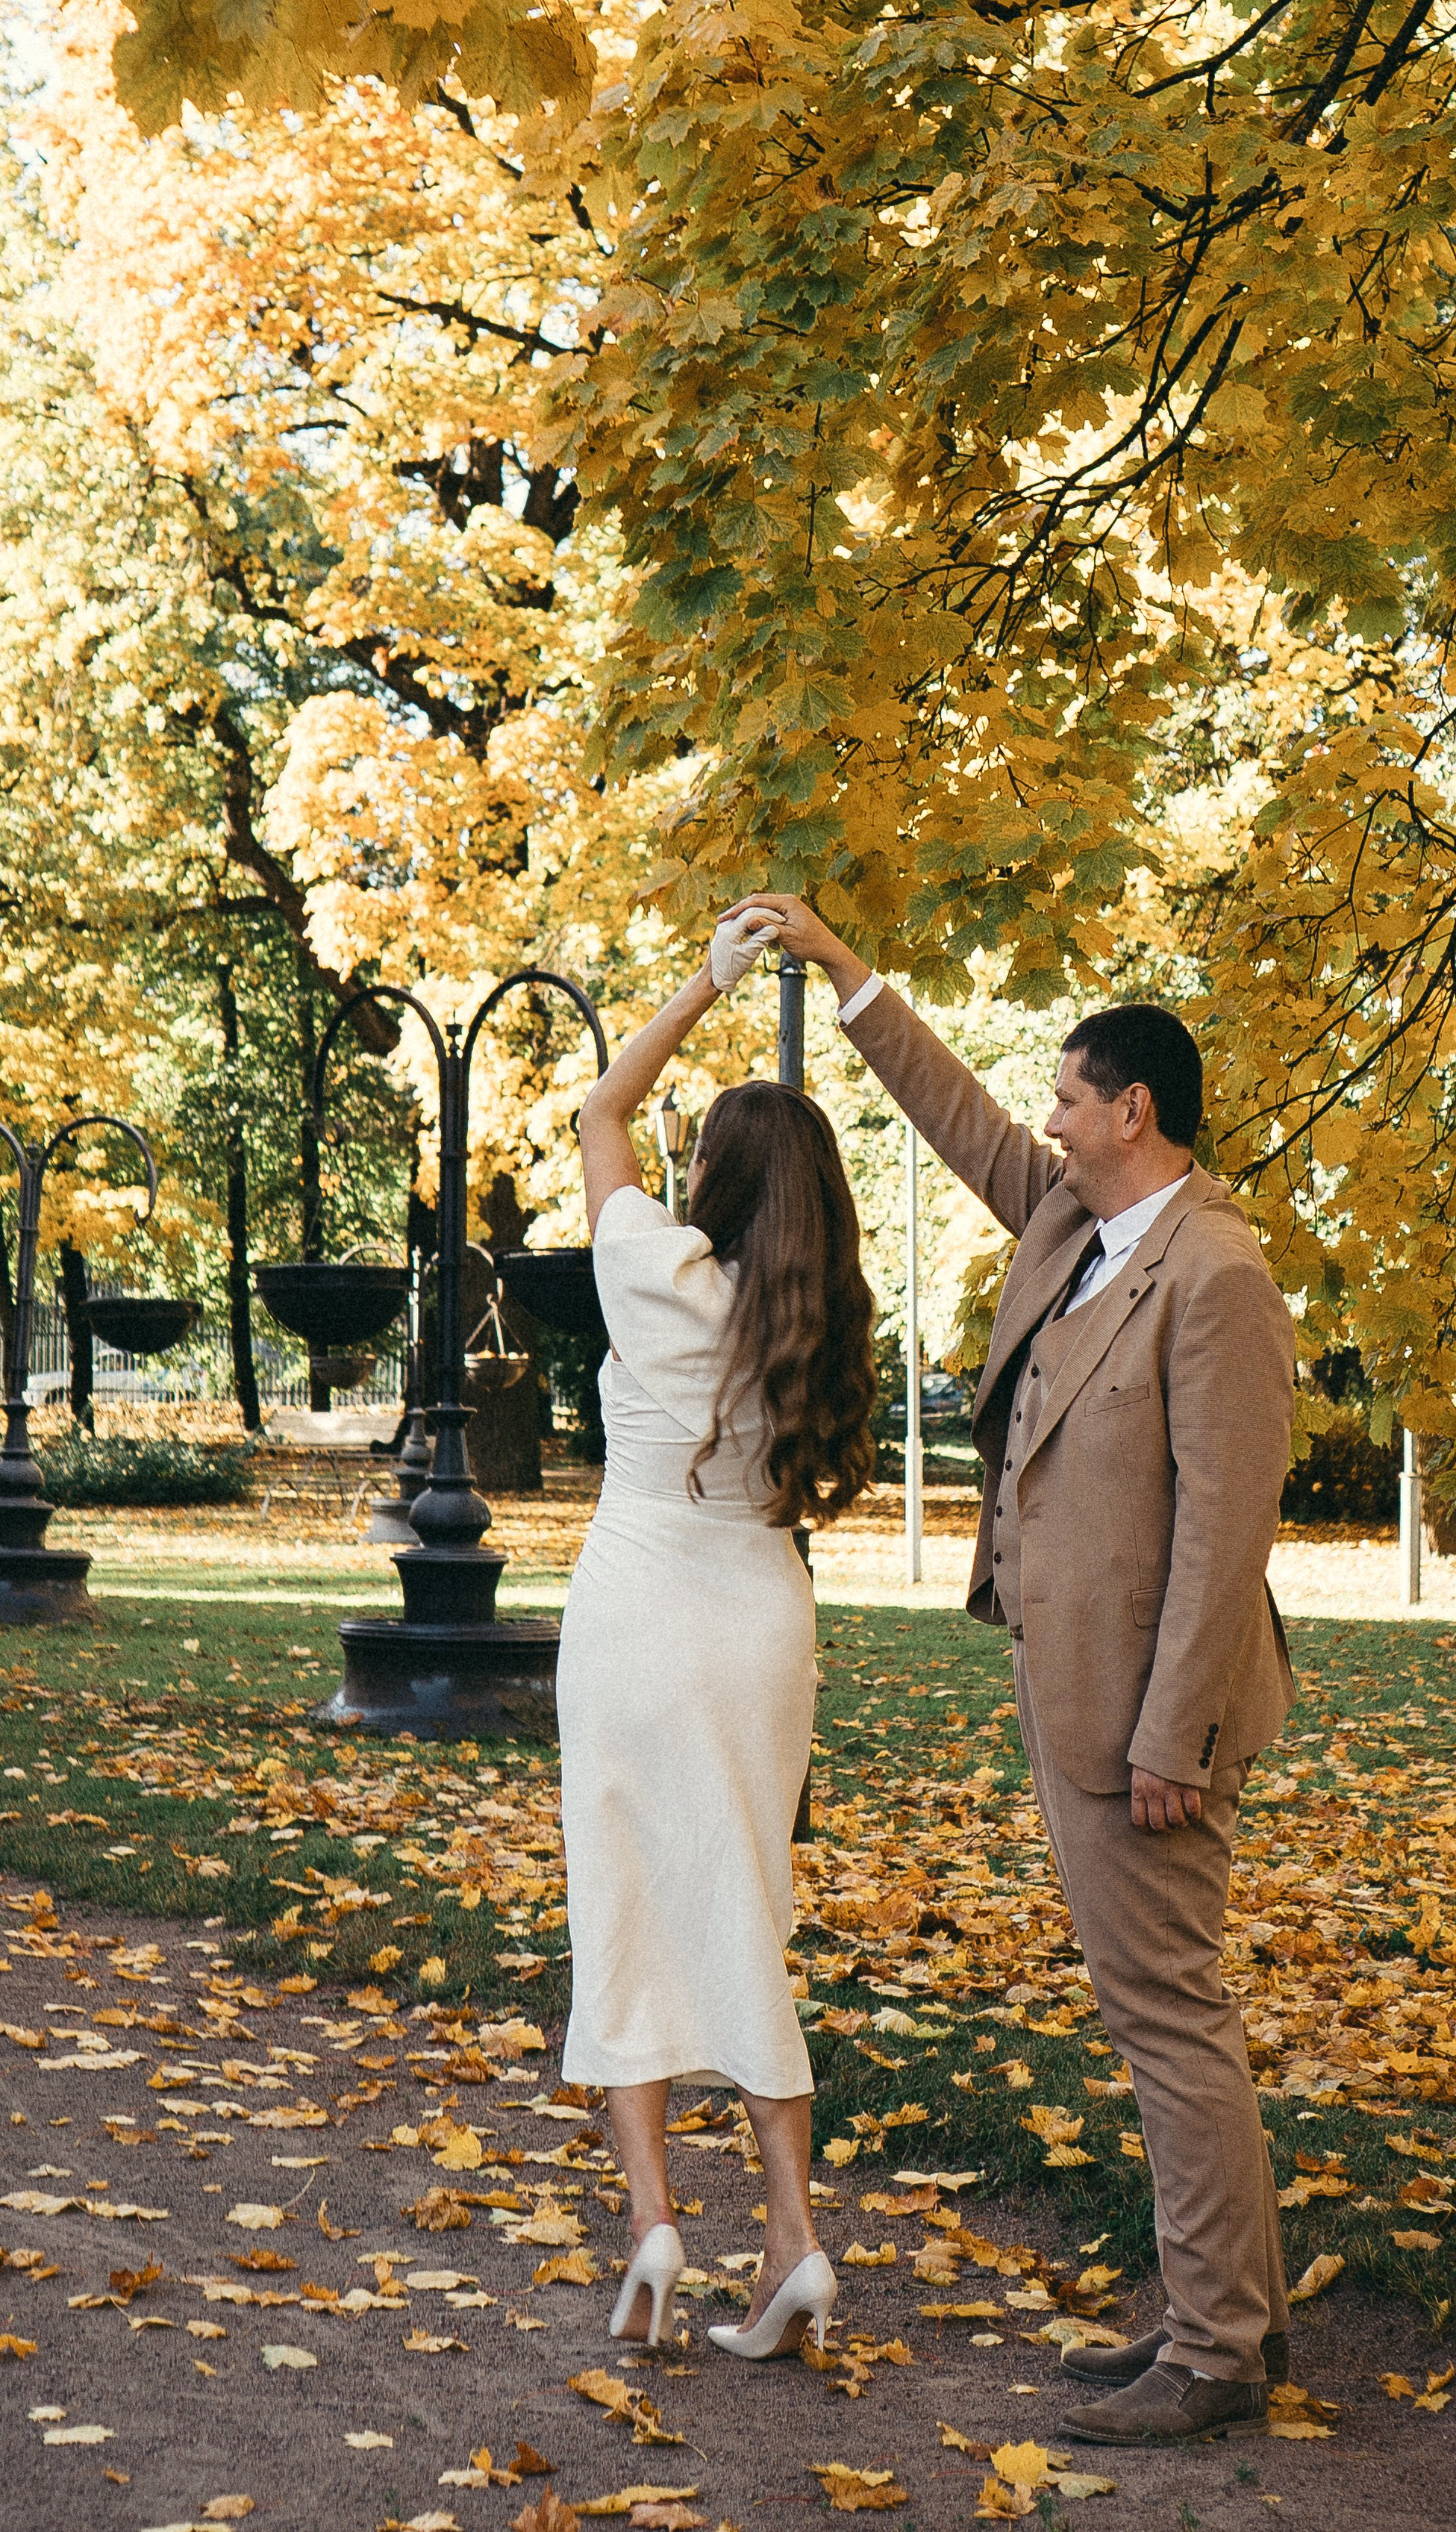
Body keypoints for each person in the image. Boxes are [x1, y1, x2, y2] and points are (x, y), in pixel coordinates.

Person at [726, 894, 1296, 2448]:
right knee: (1149, 2008)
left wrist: (1171, 1732)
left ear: (1133, 1110)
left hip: (1147, 1716)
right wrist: (846, 977)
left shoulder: (1215, 1274)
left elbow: (1221, 1539)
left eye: (1064, 1092)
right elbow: (955, 1113)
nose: (1041, 1113)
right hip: (1075, 1690)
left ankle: (1219, 2348)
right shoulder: (1077, 1226)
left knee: (1166, 2012)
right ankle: (1211, 2314)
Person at [560, 914, 878, 2361]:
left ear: (710, 1181)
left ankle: (650, 2226)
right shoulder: (808, 1320)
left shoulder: (647, 1267)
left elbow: (597, 1107)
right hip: (756, 1620)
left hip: (630, 1605)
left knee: (622, 1902)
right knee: (745, 1910)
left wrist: (708, 979)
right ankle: (795, 2243)